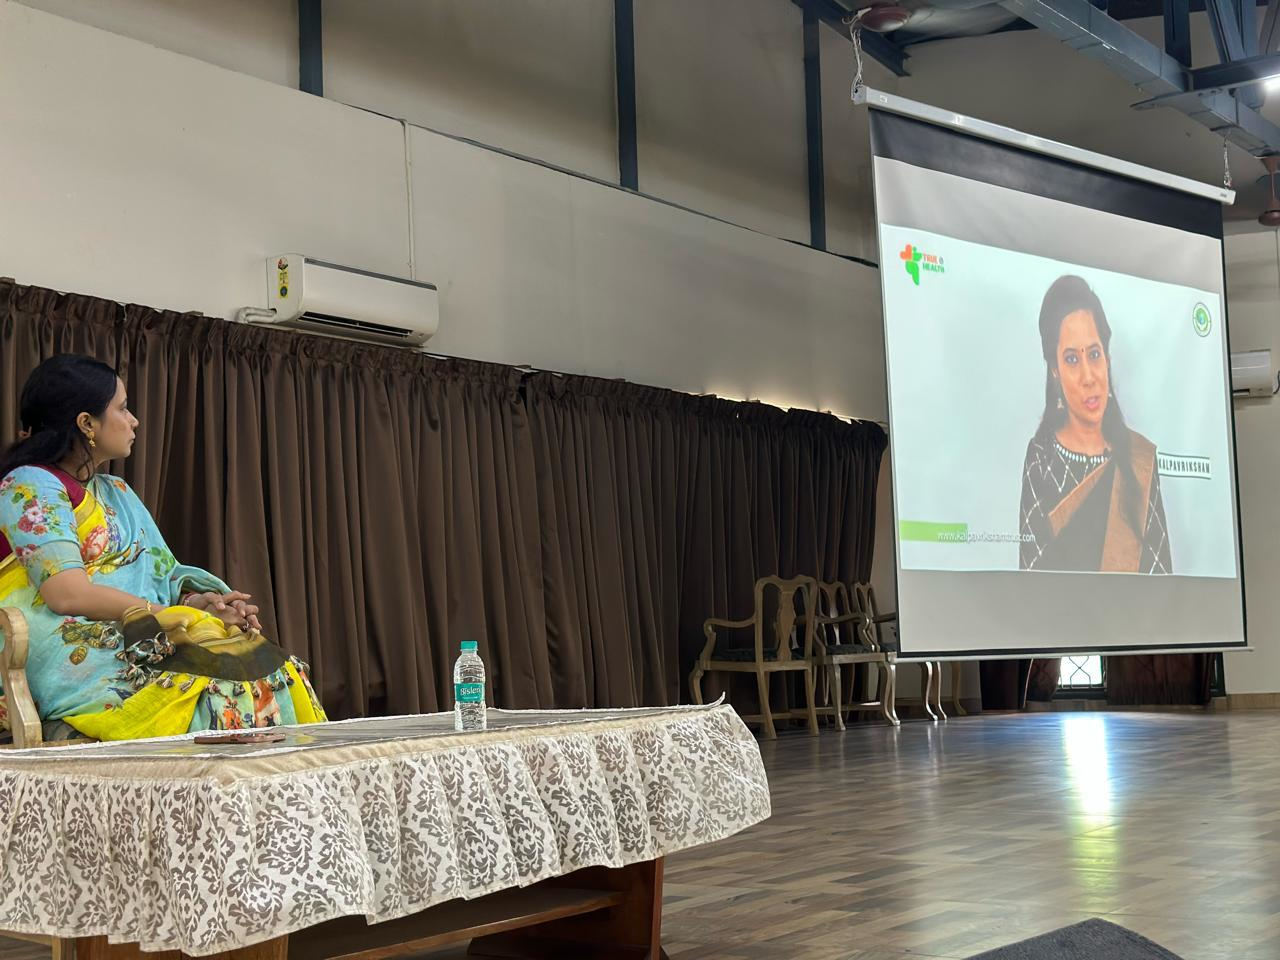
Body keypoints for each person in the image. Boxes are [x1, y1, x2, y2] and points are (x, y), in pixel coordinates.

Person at [0, 354, 325, 741]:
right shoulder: (30, 484)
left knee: (269, 666)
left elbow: (159, 576)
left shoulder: (117, 492)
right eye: (122, 408)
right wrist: (170, 615)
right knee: (209, 685)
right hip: (63, 643)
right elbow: (67, 594)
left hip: (136, 628)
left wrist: (201, 605)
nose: (134, 420)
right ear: (87, 423)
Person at [1019, 276, 1171, 574]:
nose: (1088, 376)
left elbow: (1162, 581)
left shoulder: (1138, 459)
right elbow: (1031, 583)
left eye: (1094, 354)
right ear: (1055, 370)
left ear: (1107, 358)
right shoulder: (1041, 458)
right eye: (1071, 359)